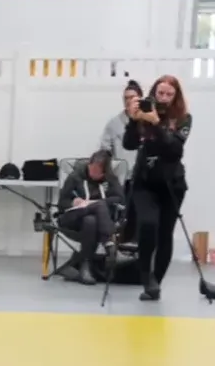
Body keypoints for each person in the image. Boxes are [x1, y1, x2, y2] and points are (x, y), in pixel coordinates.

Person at [122, 75, 193, 301]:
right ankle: (145, 276)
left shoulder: (184, 119)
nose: (163, 98)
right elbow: (129, 144)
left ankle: (156, 283)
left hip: (172, 184)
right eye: (160, 93)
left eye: (169, 94)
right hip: (144, 181)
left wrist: (156, 124)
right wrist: (135, 120)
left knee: (165, 233)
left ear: (176, 97)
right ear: (153, 93)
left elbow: (174, 151)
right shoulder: (145, 112)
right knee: (147, 225)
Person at [54, 149, 124, 284]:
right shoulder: (75, 177)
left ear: (105, 172)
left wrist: (100, 203)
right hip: (73, 218)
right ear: (89, 164)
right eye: (92, 170)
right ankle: (110, 244)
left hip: (97, 223)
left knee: (91, 220)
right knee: (98, 207)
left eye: (98, 173)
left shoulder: (111, 179)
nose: (93, 174)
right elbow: (62, 202)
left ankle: (85, 267)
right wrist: (74, 202)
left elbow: (120, 200)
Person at [99, 79, 143, 179]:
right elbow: (105, 149)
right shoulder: (114, 123)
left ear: (140, 99)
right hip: (121, 176)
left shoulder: (147, 120)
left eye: (132, 97)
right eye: (126, 98)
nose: (128, 101)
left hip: (143, 177)